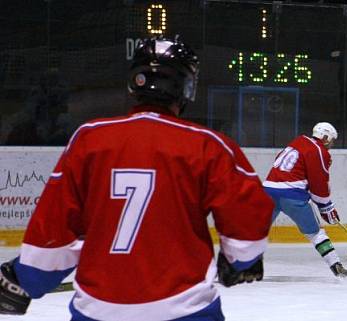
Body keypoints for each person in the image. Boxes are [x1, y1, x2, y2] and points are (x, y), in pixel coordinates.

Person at [0, 37, 274, 319]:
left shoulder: (89, 138)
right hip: (185, 307)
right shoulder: (208, 145)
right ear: (186, 87)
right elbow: (247, 226)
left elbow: (53, 234)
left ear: (135, 82)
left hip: (98, 309)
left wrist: (26, 277)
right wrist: (240, 261)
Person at [263, 122, 347, 278]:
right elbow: (318, 184)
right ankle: (335, 264)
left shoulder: (297, 142)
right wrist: (327, 208)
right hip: (292, 195)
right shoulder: (319, 150)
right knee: (315, 233)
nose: (331, 144)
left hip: (267, 191)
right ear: (325, 137)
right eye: (331, 140)